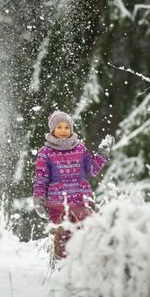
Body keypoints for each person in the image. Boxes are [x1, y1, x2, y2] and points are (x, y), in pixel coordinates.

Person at [32, 110, 114, 259]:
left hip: (81, 201)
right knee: (63, 238)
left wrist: (103, 152)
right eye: (59, 127)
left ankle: (83, 268)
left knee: (85, 235)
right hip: (57, 203)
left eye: (66, 127)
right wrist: (39, 200)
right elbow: (41, 179)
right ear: (52, 130)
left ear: (71, 129)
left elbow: (93, 169)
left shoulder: (80, 148)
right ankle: (62, 269)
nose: (63, 131)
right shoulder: (46, 152)